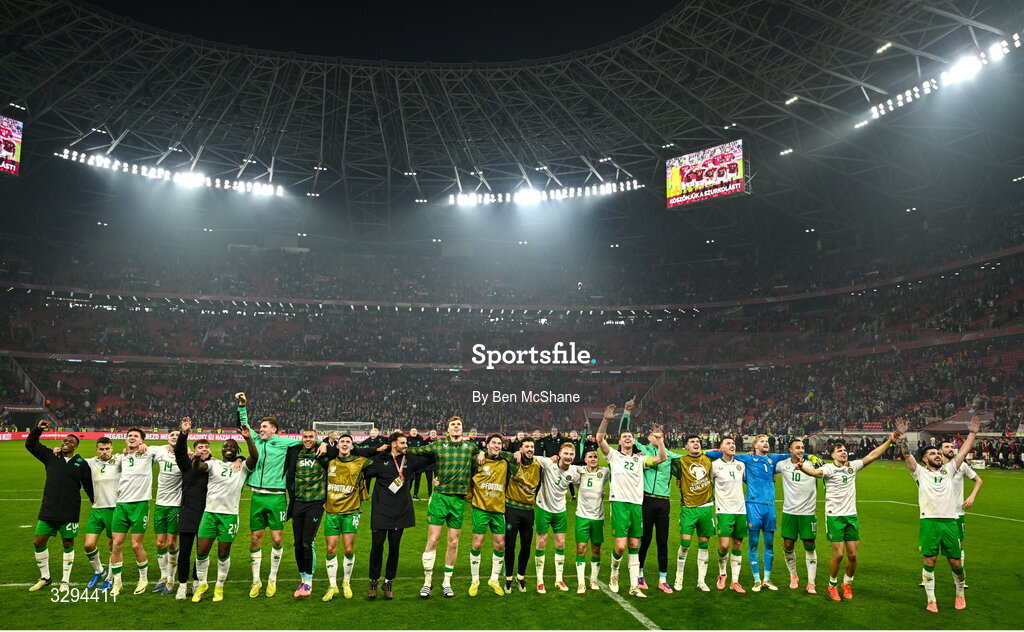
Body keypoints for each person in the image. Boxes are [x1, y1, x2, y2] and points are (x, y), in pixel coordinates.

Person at [800, 431, 898, 601]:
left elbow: (873, 455)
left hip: (851, 516)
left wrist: (890, 441)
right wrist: (801, 467)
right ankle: (832, 585)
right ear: (832, 455)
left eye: (845, 450)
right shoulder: (828, 468)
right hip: (834, 517)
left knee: (852, 556)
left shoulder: (853, 466)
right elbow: (815, 473)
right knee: (838, 555)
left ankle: (847, 583)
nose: (843, 452)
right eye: (839, 451)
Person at [895, 417, 979, 612]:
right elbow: (907, 454)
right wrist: (902, 435)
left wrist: (972, 433)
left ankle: (960, 593)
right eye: (932, 453)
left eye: (938, 453)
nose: (937, 455)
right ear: (925, 459)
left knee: (956, 563)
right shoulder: (919, 472)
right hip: (929, 522)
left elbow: (963, 452)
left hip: (950, 522)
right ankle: (931, 599)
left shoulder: (949, 470)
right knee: (929, 560)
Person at [596, 399, 667, 598]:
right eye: (624, 436)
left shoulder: (639, 459)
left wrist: (660, 439)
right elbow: (600, 439)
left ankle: (634, 586)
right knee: (620, 546)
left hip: (637, 505)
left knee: (634, 545)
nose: (627, 438)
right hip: (619, 503)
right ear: (619, 441)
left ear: (633, 441)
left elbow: (662, 458)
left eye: (630, 436)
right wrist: (605, 420)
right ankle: (614, 572)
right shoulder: (613, 456)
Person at [406, 416, 481, 599]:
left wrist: (481, 453)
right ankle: (427, 582)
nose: (456, 427)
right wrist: (396, 445)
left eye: (458, 424)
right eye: (452, 425)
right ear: (447, 429)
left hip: (458, 500)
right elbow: (415, 451)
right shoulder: (438, 445)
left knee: (453, 542)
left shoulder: (471, 447)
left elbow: (485, 454)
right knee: (433, 540)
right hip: (439, 498)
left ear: (462, 428)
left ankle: (447, 582)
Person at [190, 421, 259, 602]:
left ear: (237, 450)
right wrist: (196, 458)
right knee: (201, 552)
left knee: (223, 553)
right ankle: (203, 584)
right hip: (209, 514)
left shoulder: (243, 467)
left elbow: (255, 456)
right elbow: (198, 467)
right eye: (225, 446)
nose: (228, 448)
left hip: (229, 516)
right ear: (221, 450)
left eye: (232, 447)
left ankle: (219, 586)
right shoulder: (214, 465)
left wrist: (248, 439)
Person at [244, 393, 304, 599]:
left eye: (264, 427)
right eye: (260, 427)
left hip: (277, 497)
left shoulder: (284, 442)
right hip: (257, 497)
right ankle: (256, 581)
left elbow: (308, 441)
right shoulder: (256, 441)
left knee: (277, 540)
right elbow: (244, 425)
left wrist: (325, 443)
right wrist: (242, 406)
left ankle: (272, 578)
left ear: (274, 430)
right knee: (255, 539)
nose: (260, 429)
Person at [363, 431, 433, 600]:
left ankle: (388, 582)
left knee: (394, 548)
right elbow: (362, 468)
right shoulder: (381, 460)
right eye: (402, 443)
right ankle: (373, 581)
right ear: (394, 444)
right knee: (377, 547)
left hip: (400, 511)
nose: (406, 446)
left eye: (406, 443)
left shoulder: (410, 460)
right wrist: (375, 451)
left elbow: (432, 458)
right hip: (381, 510)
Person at [26, 420, 93, 593]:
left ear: (76, 447)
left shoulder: (81, 463)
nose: (66, 442)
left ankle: (65, 580)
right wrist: (38, 429)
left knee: (68, 543)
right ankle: (45, 577)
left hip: (69, 511)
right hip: (48, 509)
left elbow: (89, 487)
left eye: (71, 441)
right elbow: (31, 445)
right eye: (65, 440)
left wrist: (96, 504)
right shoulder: (51, 456)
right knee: (38, 541)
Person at [319, 433, 377, 601]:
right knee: (331, 549)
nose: (344, 444)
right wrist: (323, 443)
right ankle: (332, 586)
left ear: (352, 446)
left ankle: (346, 582)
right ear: (337, 446)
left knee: (348, 549)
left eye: (348, 442)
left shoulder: (360, 462)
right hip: (332, 512)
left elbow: (380, 463)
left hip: (351, 512)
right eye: (342, 442)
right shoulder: (329, 462)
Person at [466, 433, 519, 597]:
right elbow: (467, 477)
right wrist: (481, 453)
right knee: (477, 544)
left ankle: (494, 579)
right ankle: (475, 580)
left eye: (499, 444)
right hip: (480, 508)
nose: (497, 446)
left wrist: (517, 453)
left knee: (500, 545)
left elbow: (516, 460)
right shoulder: (478, 461)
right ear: (487, 444)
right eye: (494, 443)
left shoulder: (505, 461)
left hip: (498, 510)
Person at [283, 429, 331, 598]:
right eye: (305, 437)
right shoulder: (295, 452)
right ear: (301, 438)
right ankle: (302, 578)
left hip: (316, 503)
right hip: (298, 502)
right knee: (297, 543)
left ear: (316, 439)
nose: (308, 439)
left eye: (311, 437)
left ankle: (309, 582)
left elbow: (343, 448)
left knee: (306, 542)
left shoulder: (323, 451)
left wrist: (325, 443)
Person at [173, 417, 217, 600]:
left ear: (210, 451)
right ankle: (182, 585)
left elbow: (236, 461)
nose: (204, 449)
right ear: (194, 451)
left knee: (201, 552)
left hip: (207, 514)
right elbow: (179, 452)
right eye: (200, 447)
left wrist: (239, 458)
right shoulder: (187, 465)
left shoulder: (214, 467)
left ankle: (197, 582)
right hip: (188, 513)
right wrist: (184, 433)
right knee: (184, 551)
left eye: (206, 447)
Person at [637, 427, 684, 593]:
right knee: (645, 539)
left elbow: (689, 460)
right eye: (653, 435)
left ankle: (662, 579)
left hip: (664, 501)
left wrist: (713, 452)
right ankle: (639, 574)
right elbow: (626, 439)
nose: (655, 437)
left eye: (659, 435)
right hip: (647, 499)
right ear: (649, 437)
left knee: (662, 541)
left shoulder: (670, 454)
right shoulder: (643, 449)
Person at [110, 427, 155, 596]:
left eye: (136, 436)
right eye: (129, 436)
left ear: (142, 440)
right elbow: (102, 459)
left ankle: (143, 579)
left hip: (139, 505)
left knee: (136, 545)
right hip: (121, 505)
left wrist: (146, 447)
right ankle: (117, 583)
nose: (132, 438)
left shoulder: (148, 454)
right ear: (125, 439)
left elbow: (171, 449)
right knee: (116, 545)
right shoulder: (120, 457)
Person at [670, 434, 718, 592]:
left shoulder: (709, 459)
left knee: (704, 545)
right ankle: (679, 577)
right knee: (685, 544)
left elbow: (724, 453)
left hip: (706, 507)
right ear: (686, 446)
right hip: (688, 508)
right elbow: (664, 459)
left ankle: (701, 581)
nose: (696, 443)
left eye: (698, 441)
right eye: (692, 442)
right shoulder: (680, 462)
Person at [937, 437, 983, 588]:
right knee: (933, 546)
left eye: (952, 447)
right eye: (947, 447)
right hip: (938, 513)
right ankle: (927, 577)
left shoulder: (962, 466)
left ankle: (960, 580)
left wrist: (971, 496)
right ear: (940, 451)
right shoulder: (935, 466)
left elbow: (979, 480)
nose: (951, 449)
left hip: (957, 513)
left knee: (958, 544)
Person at [776, 438, 820, 594]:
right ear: (790, 450)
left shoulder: (813, 464)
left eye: (802, 448)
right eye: (797, 447)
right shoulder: (782, 465)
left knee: (809, 545)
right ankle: (793, 576)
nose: (801, 450)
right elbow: (766, 466)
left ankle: (811, 583)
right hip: (789, 512)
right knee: (788, 545)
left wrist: (811, 457)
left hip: (808, 513)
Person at [533, 442, 575, 593]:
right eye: (566, 453)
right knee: (541, 543)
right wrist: (518, 453)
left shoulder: (574, 471)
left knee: (560, 544)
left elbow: (583, 483)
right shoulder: (548, 463)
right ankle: (540, 581)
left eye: (571, 454)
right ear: (560, 454)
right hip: (543, 508)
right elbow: (531, 457)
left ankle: (559, 579)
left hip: (560, 511)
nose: (568, 456)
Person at [504, 437, 541, 593]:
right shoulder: (513, 461)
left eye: (532, 446)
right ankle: (508, 579)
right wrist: (515, 453)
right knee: (510, 545)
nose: (530, 449)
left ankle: (520, 577)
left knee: (526, 545)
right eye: (526, 446)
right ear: (521, 448)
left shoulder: (538, 465)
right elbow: (498, 453)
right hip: (512, 509)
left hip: (528, 511)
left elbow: (539, 484)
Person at [711, 437, 748, 593]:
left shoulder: (741, 465)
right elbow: (707, 483)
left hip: (740, 510)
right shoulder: (714, 465)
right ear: (721, 448)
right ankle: (722, 573)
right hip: (723, 510)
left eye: (733, 443)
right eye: (728, 443)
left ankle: (735, 581)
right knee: (724, 545)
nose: (732, 445)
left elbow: (749, 480)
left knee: (737, 544)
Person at [150, 429, 184, 594]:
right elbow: (143, 449)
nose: (175, 437)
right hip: (160, 504)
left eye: (178, 435)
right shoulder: (159, 450)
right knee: (159, 543)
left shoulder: (185, 455)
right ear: (167, 438)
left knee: (171, 543)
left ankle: (171, 579)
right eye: (172, 435)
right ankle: (163, 576)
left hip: (175, 505)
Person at [83, 437, 119, 591]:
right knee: (88, 545)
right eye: (101, 449)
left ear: (112, 448)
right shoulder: (91, 462)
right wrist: (57, 451)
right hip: (96, 509)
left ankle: (110, 579)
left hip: (114, 509)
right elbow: (71, 460)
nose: (104, 452)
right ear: (97, 450)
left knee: (113, 546)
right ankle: (99, 571)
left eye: (107, 449)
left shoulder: (119, 460)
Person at [571, 448, 608, 594]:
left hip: (598, 517)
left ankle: (593, 580)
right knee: (581, 549)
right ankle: (581, 583)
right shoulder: (579, 471)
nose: (593, 459)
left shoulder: (604, 472)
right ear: (585, 459)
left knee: (596, 549)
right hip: (582, 516)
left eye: (595, 457)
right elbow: (566, 470)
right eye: (590, 457)